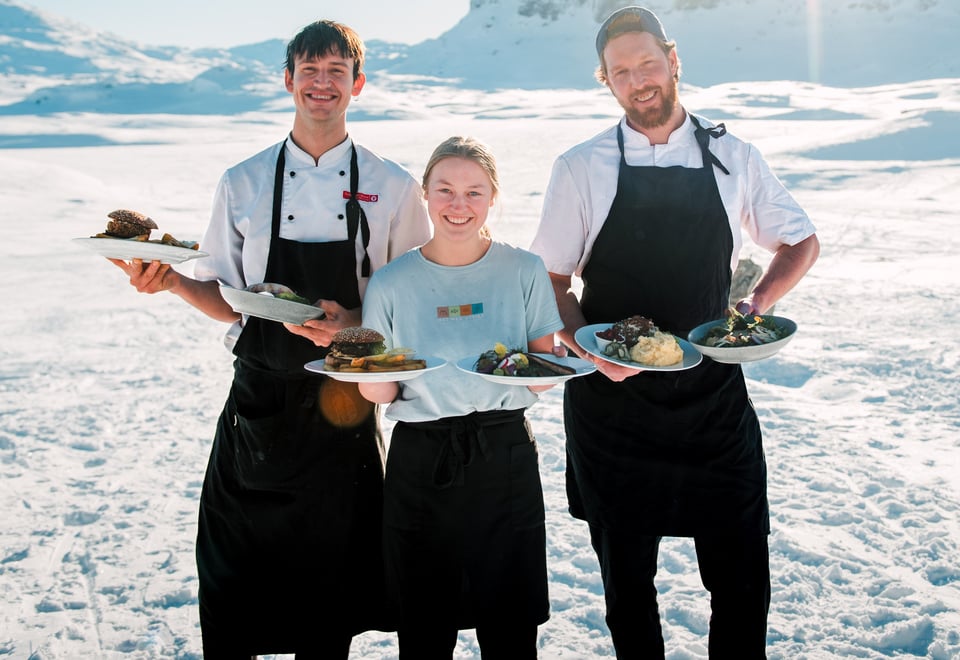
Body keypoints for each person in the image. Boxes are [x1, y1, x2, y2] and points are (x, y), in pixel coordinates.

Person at [108, 20, 430, 658]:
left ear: (357, 84)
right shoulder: (245, 182)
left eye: (336, 71)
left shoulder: (393, 187)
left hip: (344, 414)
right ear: (287, 81)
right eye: (309, 70)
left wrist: (352, 324)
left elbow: (415, 300)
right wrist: (168, 280)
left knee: (330, 597)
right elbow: (225, 298)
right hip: (256, 411)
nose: (322, 83)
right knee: (233, 584)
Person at [529, 6, 820, 658]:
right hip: (614, 410)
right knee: (629, 592)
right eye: (621, 71)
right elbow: (549, 283)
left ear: (674, 60)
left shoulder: (733, 156)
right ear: (605, 82)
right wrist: (589, 350)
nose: (639, 80)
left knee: (743, 582)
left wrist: (760, 299)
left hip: (714, 405)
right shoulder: (581, 167)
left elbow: (799, 240)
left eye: (648, 63)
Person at [357, 136, 564, 659]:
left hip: (505, 456)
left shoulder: (524, 270)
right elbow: (383, 389)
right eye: (445, 190)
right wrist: (361, 376)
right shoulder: (390, 283)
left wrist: (555, 370)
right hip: (421, 460)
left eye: (474, 192)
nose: (458, 205)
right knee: (424, 627)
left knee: (511, 625)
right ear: (425, 195)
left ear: (493, 198)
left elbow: (540, 367)